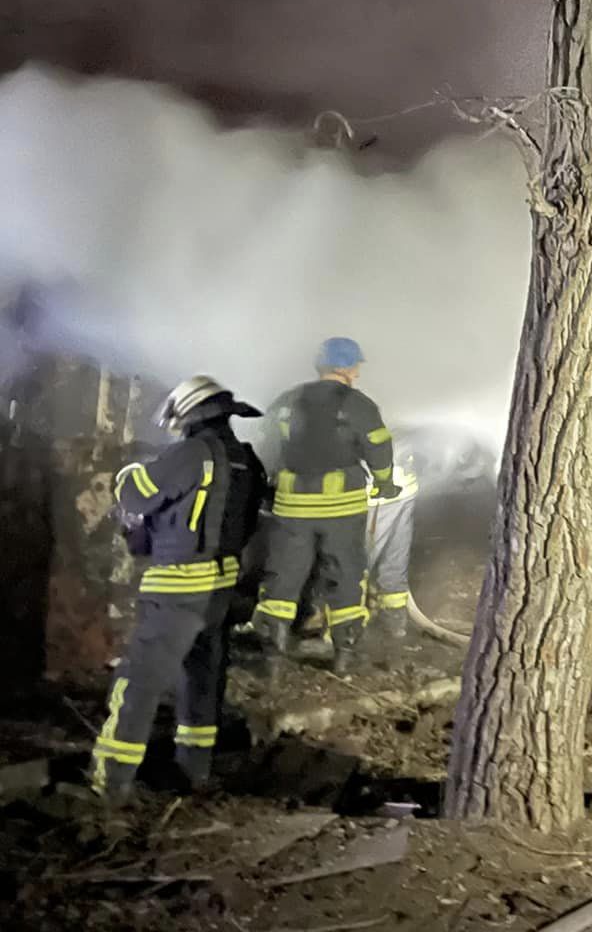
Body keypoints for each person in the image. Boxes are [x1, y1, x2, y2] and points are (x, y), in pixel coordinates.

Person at [94, 377, 267, 801]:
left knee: (138, 683)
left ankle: (109, 784)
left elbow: (136, 498)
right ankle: (194, 772)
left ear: (188, 414)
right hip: (221, 591)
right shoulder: (246, 460)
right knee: (202, 683)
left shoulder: (192, 453)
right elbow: (248, 524)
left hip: (177, 591)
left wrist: (129, 473)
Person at [253, 337, 397, 674]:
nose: (358, 374)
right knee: (345, 574)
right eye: (356, 367)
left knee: (283, 578)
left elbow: (267, 447)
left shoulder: (288, 400)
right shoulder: (358, 404)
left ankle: (273, 656)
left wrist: (267, 487)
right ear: (348, 368)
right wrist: (384, 482)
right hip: (341, 508)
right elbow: (378, 446)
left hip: (292, 507)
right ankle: (343, 656)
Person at [364, 443, 419, 642]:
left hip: (375, 493)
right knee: (393, 562)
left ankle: (344, 635)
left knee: (355, 565)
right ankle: (394, 625)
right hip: (403, 487)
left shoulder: (361, 413)